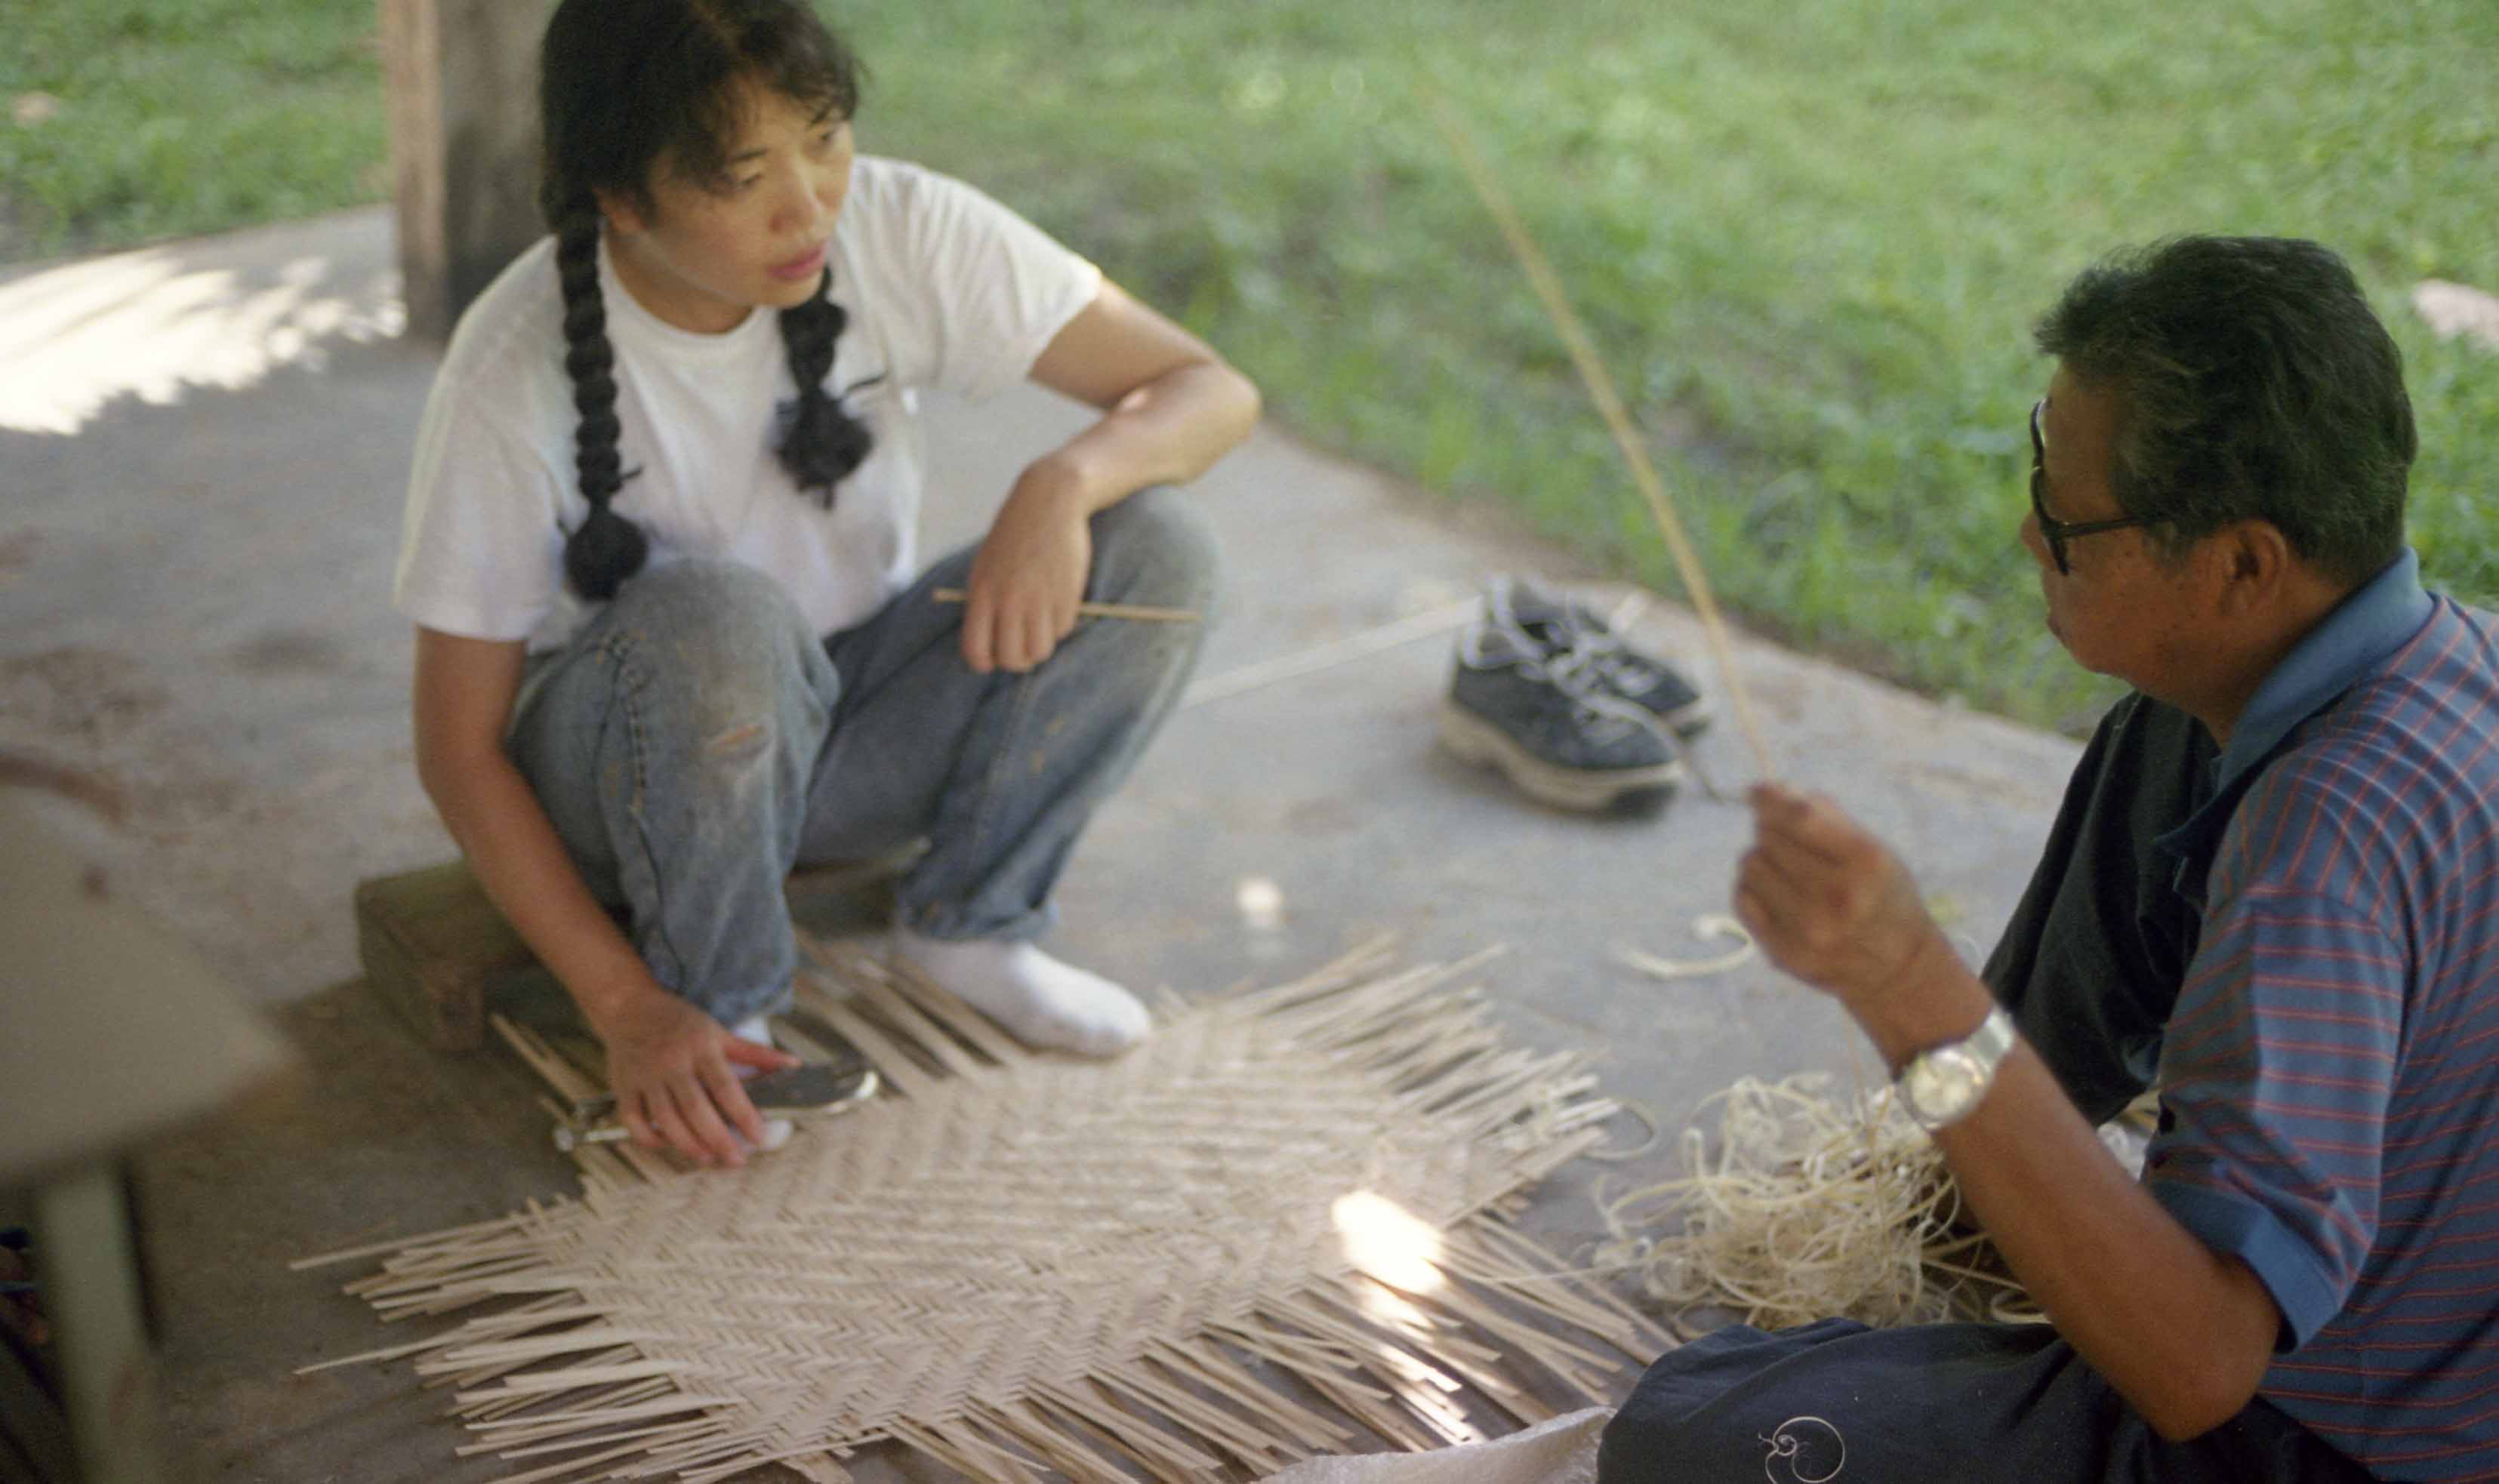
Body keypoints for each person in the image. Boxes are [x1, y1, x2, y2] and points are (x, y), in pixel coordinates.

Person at [1601, 236, 2499, 1482]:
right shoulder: (2449, 660)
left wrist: (1911, 987)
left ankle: (2039, 1245)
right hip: (2412, 1322)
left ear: (2243, 560)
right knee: (2164, 733)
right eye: (2040, 471)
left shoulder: (2320, 854)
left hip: (2341, 1439)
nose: (2031, 535)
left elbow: (2198, 1369)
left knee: (1695, 1436)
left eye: (2069, 522)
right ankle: (1991, 1206)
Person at [394, 0, 1259, 1169]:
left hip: (852, 722)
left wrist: (1064, 481)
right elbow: (458, 746)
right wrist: (622, 1004)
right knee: (719, 612)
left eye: (824, 138)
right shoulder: (512, 365)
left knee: (1154, 551)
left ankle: (971, 924)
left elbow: (1209, 389)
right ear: (623, 197)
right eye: (742, 173)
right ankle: (715, 1004)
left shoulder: (901, 228)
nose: (807, 204)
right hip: (637, 780)